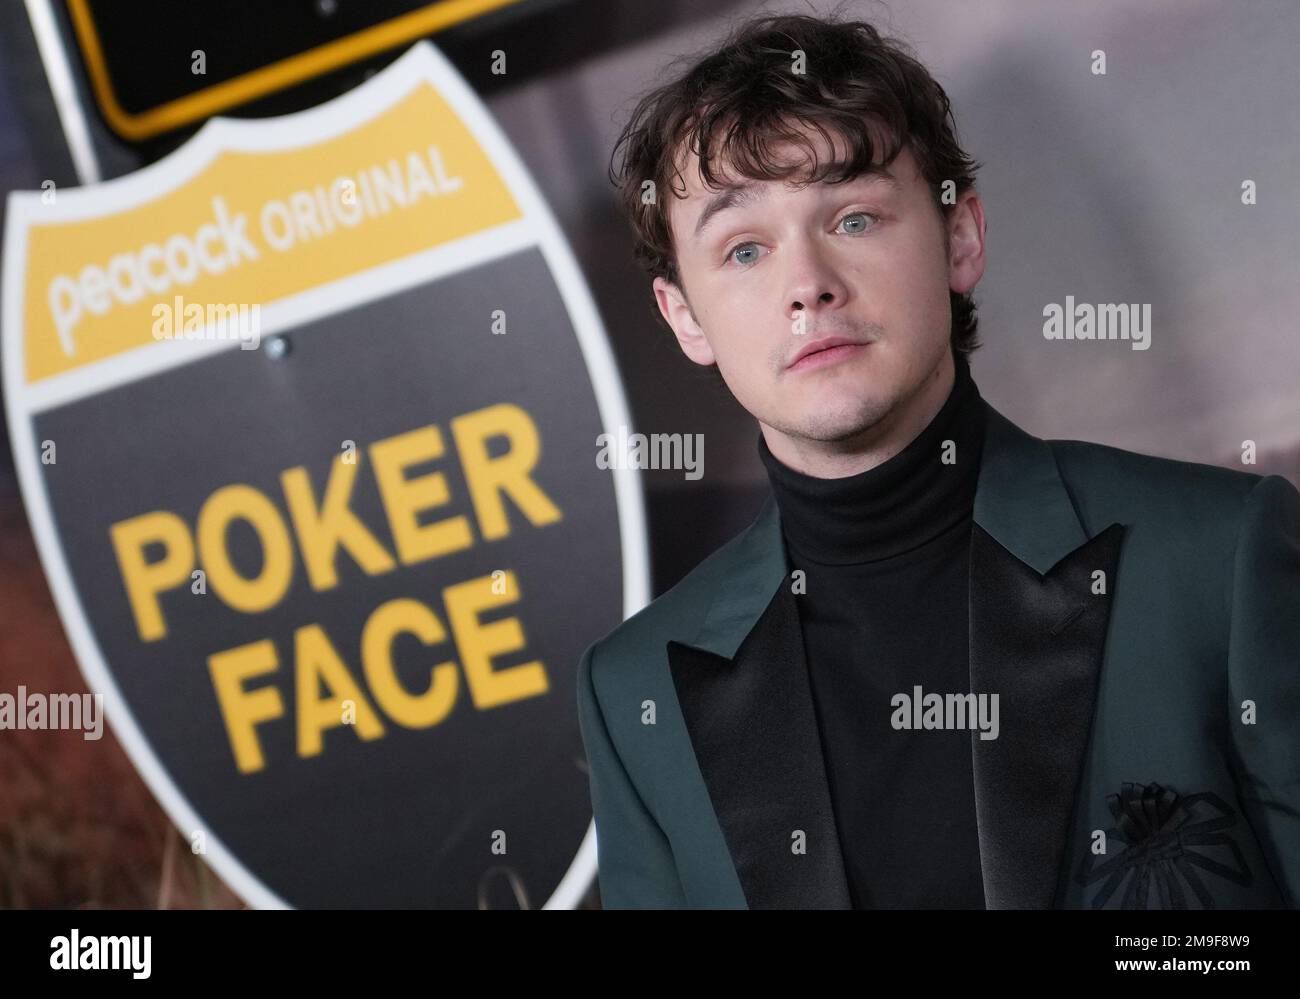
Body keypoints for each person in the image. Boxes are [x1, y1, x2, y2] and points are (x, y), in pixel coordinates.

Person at [576, 12, 1300, 909]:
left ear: (961, 240)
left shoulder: (1217, 557)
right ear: (684, 316)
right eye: (745, 248)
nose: (808, 284)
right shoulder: (635, 690)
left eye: (851, 215)